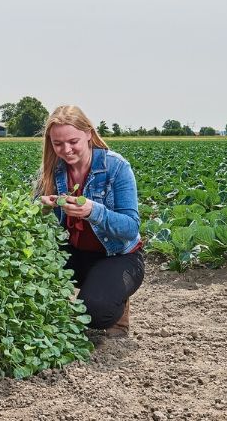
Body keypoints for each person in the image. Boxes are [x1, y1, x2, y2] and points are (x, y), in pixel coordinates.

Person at [37, 105, 144, 338]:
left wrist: (93, 211)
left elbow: (130, 227)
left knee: (95, 311)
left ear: (88, 134)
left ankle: (114, 297)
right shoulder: (52, 170)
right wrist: (43, 208)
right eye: (58, 144)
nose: (66, 150)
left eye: (73, 141)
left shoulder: (116, 167)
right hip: (74, 253)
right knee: (30, 272)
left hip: (116, 256)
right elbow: (36, 221)